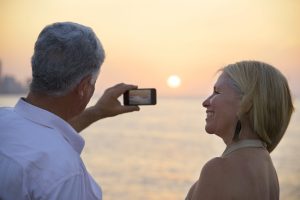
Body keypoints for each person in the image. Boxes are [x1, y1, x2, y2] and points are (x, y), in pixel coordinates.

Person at [0, 22, 139, 200]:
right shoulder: (64, 173)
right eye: (93, 83)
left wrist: (97, 112)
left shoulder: (4, 120)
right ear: (83, 87)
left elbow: (43, 134)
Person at [185, 61, 294, 200]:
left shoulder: (218, 171)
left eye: (217, 92)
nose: (205, 102)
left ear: (246, 103)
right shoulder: (267, 169)